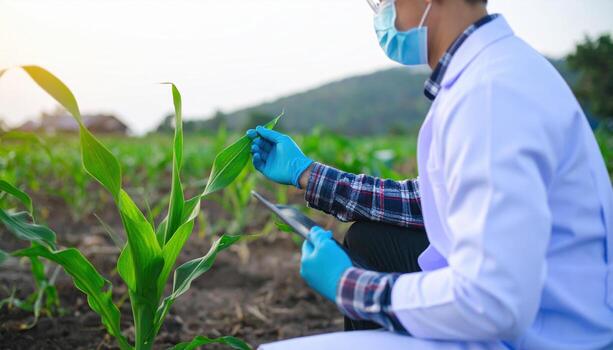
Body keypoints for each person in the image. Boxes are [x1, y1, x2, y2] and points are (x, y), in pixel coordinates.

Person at [248, 0, 613, 349]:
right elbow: (431, 199)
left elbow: (493, 300)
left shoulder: (489, 96)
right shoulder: (496, 70)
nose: (382, 13)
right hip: (539, 308)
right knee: (371, 241)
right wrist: (308, 174)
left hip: (540, 335)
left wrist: (351, 286)